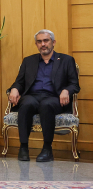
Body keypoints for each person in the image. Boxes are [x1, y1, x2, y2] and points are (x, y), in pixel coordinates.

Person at [8, 29, 79, 162]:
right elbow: (19, 82)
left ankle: (47, 149)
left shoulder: (66, 60)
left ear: (53, 42)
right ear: (36, 44)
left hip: (54, 98)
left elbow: (74, 84)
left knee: (46, 105)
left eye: (46, 41)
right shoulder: (28, 61)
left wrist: (66, 90)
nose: (43, 44)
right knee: (26, 104)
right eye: (39, 42)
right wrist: (15, 89)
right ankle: (23, 147)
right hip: (33, 96)